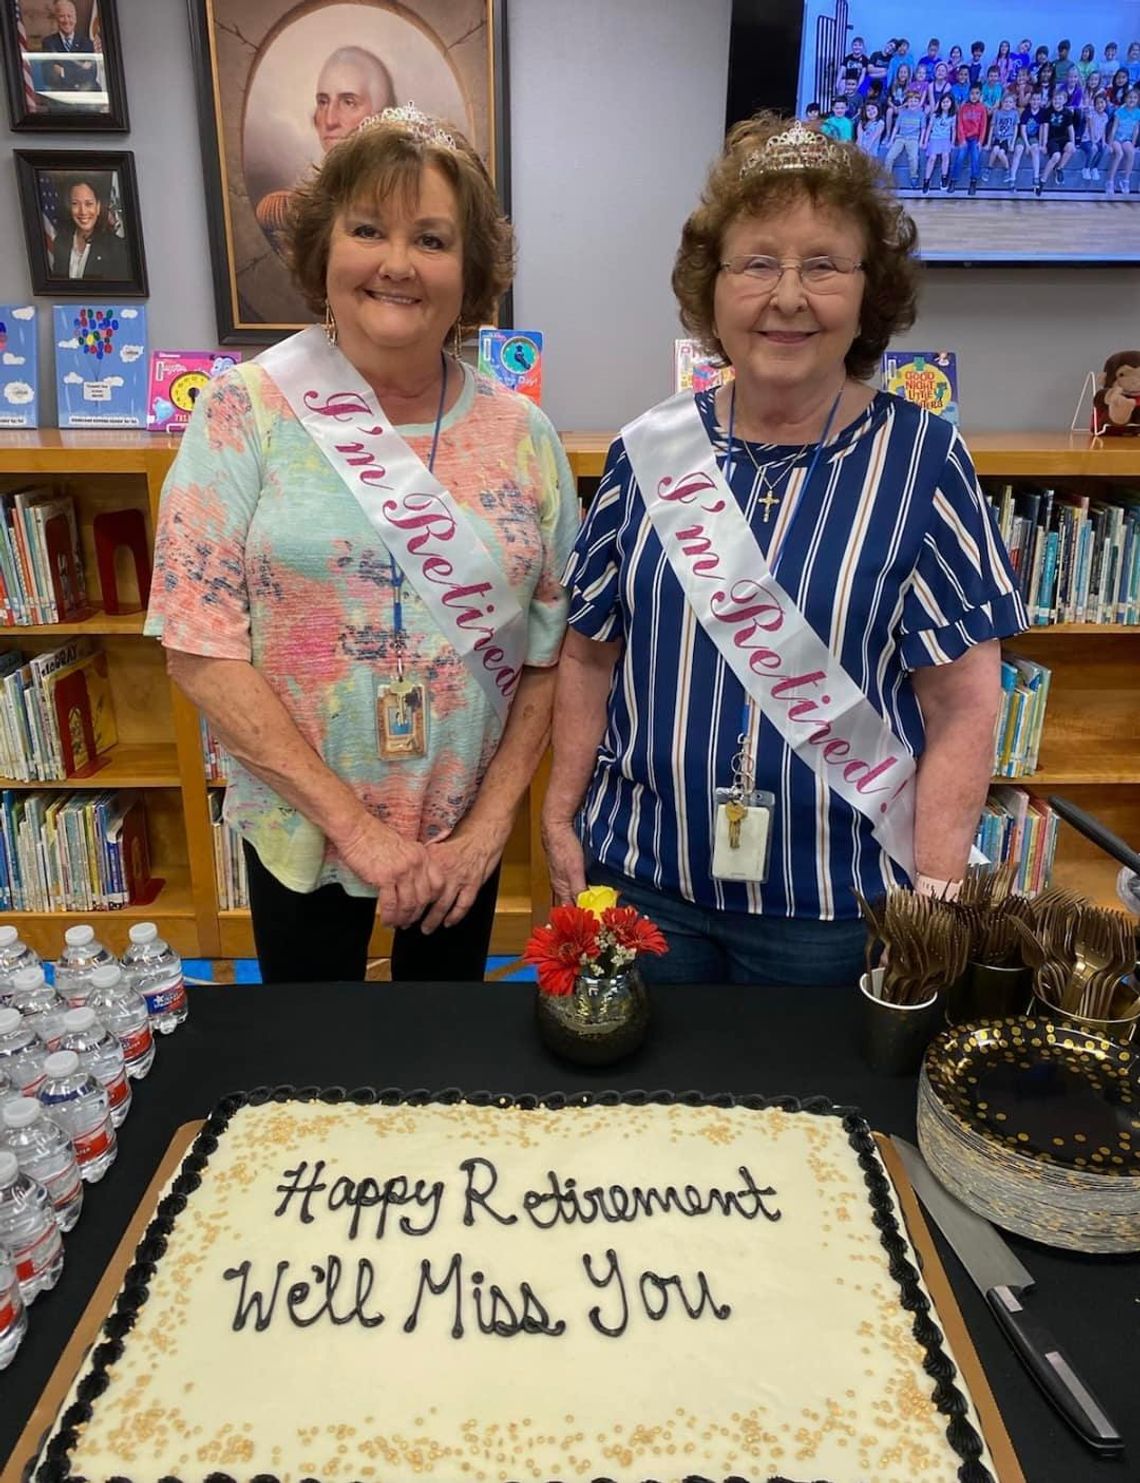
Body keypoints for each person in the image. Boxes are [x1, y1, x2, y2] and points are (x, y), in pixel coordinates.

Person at [541, 113, 1026, 987]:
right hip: (646, 878)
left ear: (868, 292)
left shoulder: (926, 461)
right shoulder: (643, 451)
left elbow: (963, 704)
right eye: (758, 262)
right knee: (643, 1118)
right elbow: (587, 653)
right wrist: (558, 815)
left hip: (838, 903)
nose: (787, 295)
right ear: (713, 287)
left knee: (818, 1120)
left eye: (823, 265)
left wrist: (937, 890)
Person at [146, 106, 579, 985]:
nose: (396, 263)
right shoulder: (243, 412)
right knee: (310, 1074)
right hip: (302, 830)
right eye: (368, 229)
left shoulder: (524, 434)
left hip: (464, 839)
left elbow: (551, 653)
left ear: (472, 271)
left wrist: (490, 827)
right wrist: (360, 833)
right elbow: (198, 649)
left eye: (431, 238)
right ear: (324, 249)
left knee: (445, 1072)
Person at [255, 46, 396, 244]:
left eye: (348, 102)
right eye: (323, 102)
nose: (329, 121)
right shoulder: (282, 212)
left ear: (382, 115)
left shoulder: (407, 204)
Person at [50, 175, 128, 280]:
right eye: (75, 204)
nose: (83, 211)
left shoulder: (116, 247)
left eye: (89, 204)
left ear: (98, 207)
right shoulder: (60, 242)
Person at [39, 0, 98, 94]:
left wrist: (62, 72)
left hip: (84, 97)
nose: (66, 21)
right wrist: (79, 69)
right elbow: (48, 76)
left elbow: (90, 76)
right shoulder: (48, 43)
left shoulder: (87, 44)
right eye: (62, 16)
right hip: (60, 99)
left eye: (70, 16)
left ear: (75, 19)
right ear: (56, 19)